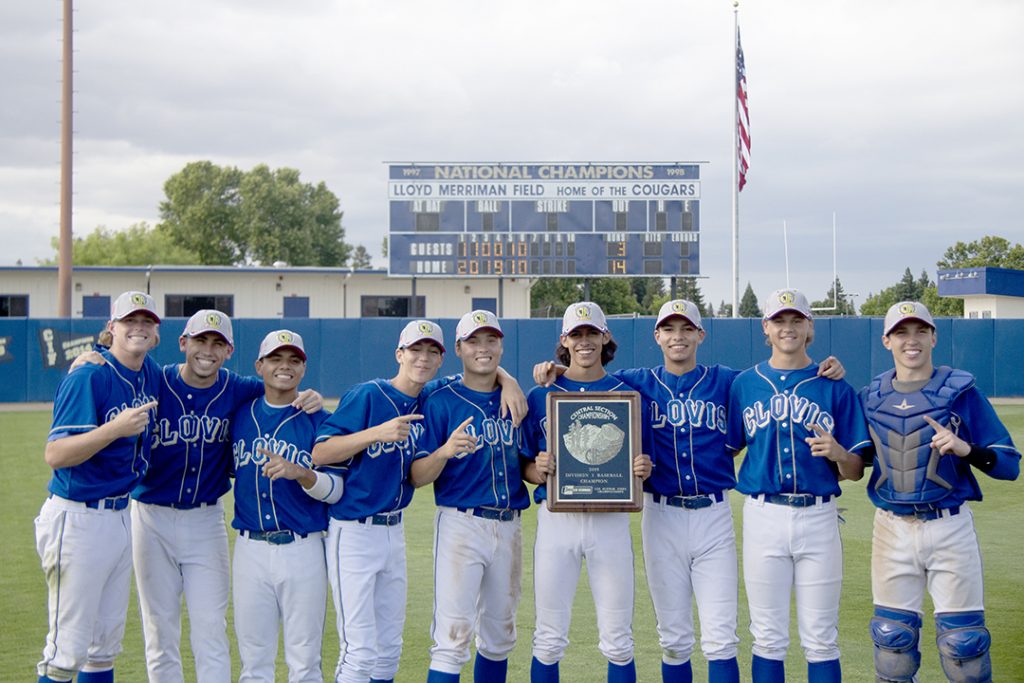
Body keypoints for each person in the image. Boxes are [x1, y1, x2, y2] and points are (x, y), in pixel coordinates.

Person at [533, 299, 847, 683]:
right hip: (661, 515)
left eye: (686, 328)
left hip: (714, 516)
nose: (677, 337)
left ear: (701, 334)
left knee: (721, 638)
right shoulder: (636, 383)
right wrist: (557, 370)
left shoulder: (730, 381)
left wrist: (822, 369)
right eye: (669, 328)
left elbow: (775, 374)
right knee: (674, 640)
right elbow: (589, 376)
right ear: (657, 335)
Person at [70, 310, 323, 683]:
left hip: (206, 521)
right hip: (150, 517)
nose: (208, 350)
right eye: (201, 340)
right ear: (183, 343)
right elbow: (120, 368)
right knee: (159, 628)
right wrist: (93, 357)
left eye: (218, 343)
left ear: (229, 351)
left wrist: (308, 395)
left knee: (210, 627)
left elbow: (279, 388)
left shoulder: (239, 388)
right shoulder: (156, 380)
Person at [313, 320, 525, 683]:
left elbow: (482, 369)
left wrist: (509, 380)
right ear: (399, 354)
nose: (422, 358)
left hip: (394, 530)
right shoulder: (368, 394)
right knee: (359, 652)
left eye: (431, 351)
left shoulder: (431, 396)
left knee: (388, 651)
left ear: (442, 358)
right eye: (415, 350)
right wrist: (376, 433)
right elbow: (320, 453)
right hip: (353, 529)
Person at [861, 301, 1020, 683]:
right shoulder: (869, 397)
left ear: (933, 337)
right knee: (892, 644)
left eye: (920, 331)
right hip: (891, 528)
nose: (911, 340)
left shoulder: (962, 394)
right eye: (901, 332)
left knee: (964, 647)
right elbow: (855, 460)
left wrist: (967, 449)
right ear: (886, 340)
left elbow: (1009, 465)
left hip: (949, 527)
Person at [724, 288, 870, 683]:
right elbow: (726, 446)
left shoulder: (835, 386)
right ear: (765, 328)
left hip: (819, 518)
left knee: (821, 639)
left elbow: (856, 470)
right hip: (763, 515)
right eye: (779, 321)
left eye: (796, 320)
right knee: (767, 637)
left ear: (810, 327)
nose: (787, 328)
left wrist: (840, 453)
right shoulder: (744, 384)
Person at [521, 302, 653, 683]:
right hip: (557, 521)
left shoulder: (628, 394)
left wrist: (643, 470)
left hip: (610, 521)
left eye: (591, 333)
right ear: (564, 340)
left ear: (605, 336)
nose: (584, 341)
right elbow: (524, 466)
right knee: (548, 638)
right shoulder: (540, 394)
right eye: (576, 334)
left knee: (618, 639)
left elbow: (644, 464)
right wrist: (538, 470)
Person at [34, 291, 162, 683]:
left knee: (102, 649)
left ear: (156, 332)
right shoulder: (88, 375)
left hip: (121, 516)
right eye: (129, 320)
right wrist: (113, 430)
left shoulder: (150, 372)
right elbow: (55, 454)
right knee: (65, 652)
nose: (138, 327)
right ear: (112, 328)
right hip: (78, 518)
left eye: (146, 321)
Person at [411, 311, 532, 683]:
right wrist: (444, 452)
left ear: (501, 346)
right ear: (459, 348)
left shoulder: (516, 401)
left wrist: (508, 380)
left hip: (509, 526)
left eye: (490, 340)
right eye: (473, 341)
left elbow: (527, 465)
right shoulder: (439, 398)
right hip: (460, 525)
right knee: (452, 638)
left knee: (499, 637)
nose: (483, 348)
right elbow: (417, 476)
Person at [230, 330, 339, 683]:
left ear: (304, 369)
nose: (285, 366)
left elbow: (336, 490)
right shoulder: (239, 415)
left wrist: (302, 474)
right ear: (259, 366)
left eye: (294, 360)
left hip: (303, 548)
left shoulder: (321, 420)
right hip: (250, 550)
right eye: (275, 359)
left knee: (305, 662)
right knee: (254, 662)